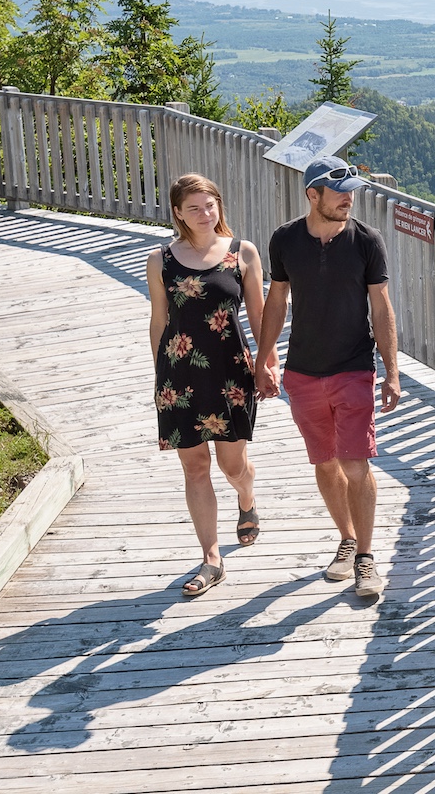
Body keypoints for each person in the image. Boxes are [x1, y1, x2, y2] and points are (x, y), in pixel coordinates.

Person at [256, 156, 401, 600]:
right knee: (324, 462)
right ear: (312, 195)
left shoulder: (366, 241)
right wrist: (265, 357)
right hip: (302, 371)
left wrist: (391, 371)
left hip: (354, 368)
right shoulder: (285, 240)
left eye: (352, 191)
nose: (348, 199)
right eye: (339, 192)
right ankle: (347, 538)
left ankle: (366, 559)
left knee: (355, 463)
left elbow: (381, 307)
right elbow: (276, 300)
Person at [146, 173, 264, 597]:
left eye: (209, 205)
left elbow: (260, 318)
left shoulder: (243, 253)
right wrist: (160, 378)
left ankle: (246, 499)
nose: (203, 213)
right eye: (193, 207)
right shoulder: (162, 260)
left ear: (219, 206)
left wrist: (267, 364)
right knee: (195, 467)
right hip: (179, 377)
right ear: (178, 213)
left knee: (233, 466)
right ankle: (211, 559)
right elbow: (159, 321)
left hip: (230, 374)